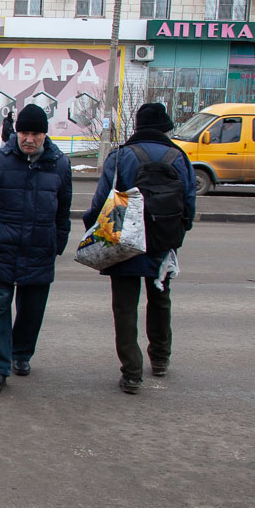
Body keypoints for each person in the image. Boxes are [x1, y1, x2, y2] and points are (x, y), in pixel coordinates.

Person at [82, 103, 197, 395]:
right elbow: (189, 199)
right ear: (165, 128)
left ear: (138, 127)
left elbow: (100, 202)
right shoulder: (179, 157)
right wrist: (178, 232)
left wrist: (92, 229)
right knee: (160, 299)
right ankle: (160, 358)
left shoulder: (121, 156)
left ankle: (132, 373)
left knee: (125, 307)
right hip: (162, 240)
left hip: (124, 240)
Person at [0, 104, 73, 393]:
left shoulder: (59, 163)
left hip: (40, 248)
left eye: (35, 134)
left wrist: (58, 242)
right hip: (3, 245)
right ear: (17, 133)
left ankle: (21, 354)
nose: (29, 139)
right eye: (24, 132)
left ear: (44, 135)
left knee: (32, 309)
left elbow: (64, 210)